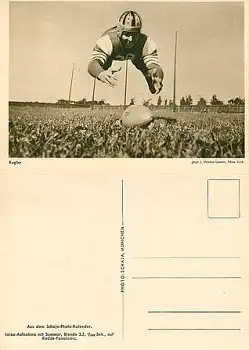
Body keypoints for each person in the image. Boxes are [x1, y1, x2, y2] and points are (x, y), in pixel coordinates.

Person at [88, 10, 164, 94]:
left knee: (147, 69)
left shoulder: (145, 42)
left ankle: (150, 79)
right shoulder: (108, 40)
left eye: (134, 34)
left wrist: (157, 76)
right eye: (127, 34)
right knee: (104, 65)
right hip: (112, 54)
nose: (130, 39)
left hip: (135, 55)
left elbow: (154, 65)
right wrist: (100, 73)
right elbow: (93, 63)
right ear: (119, 32)